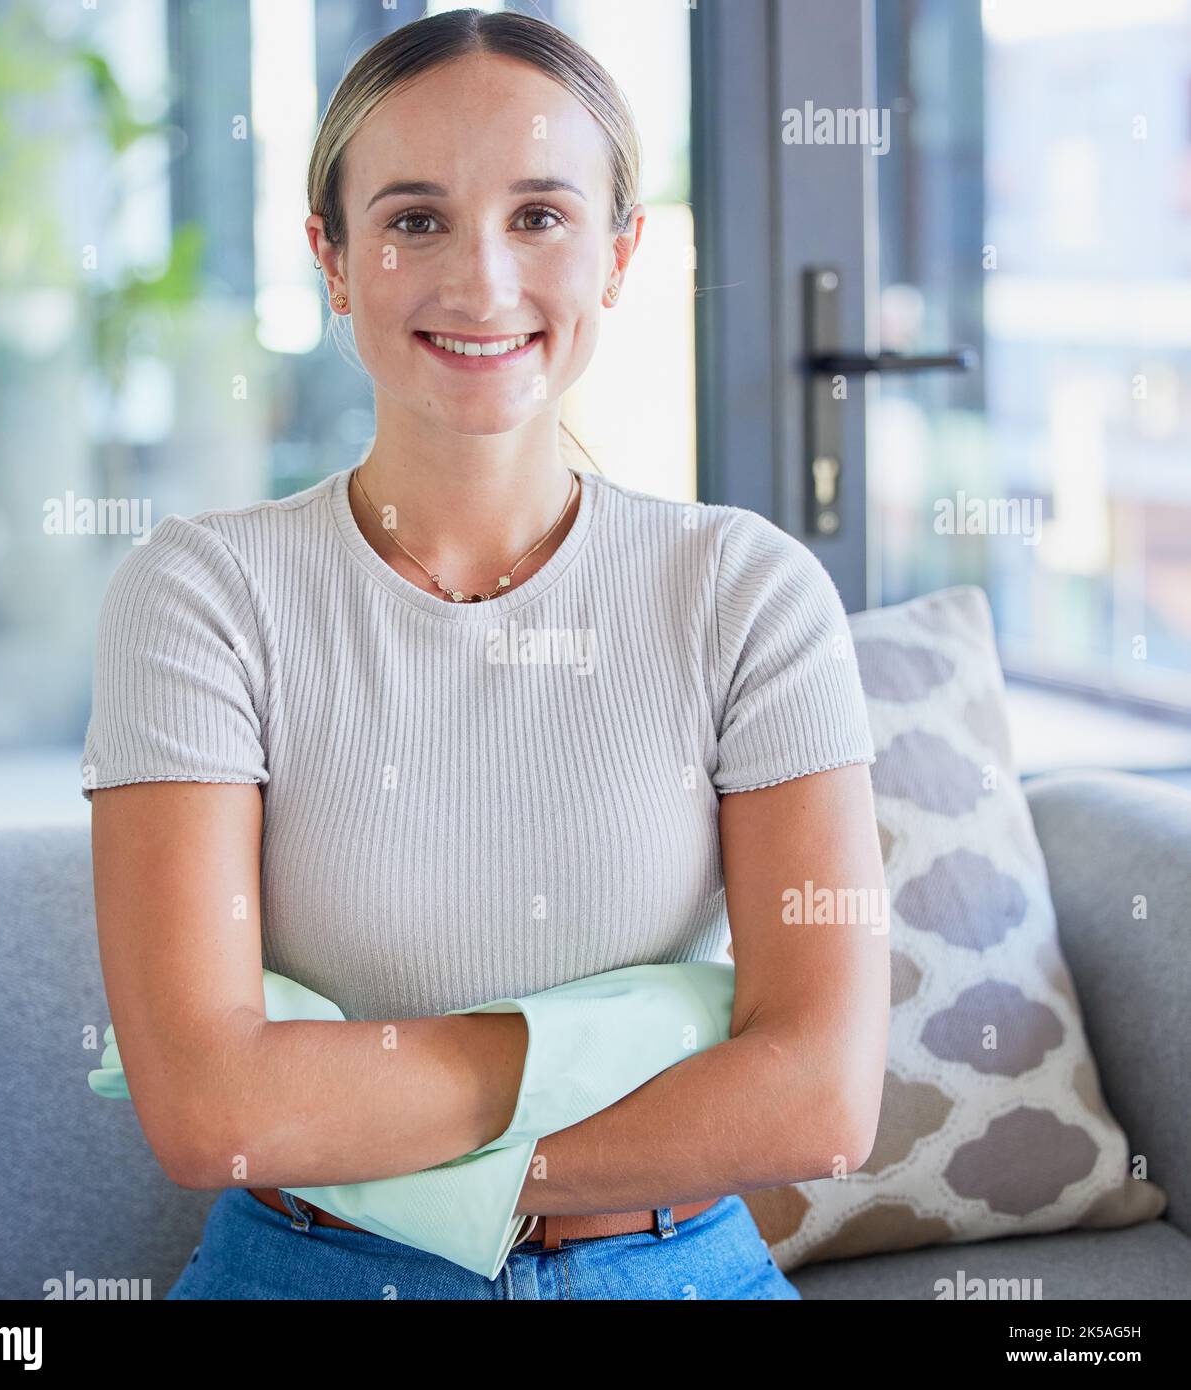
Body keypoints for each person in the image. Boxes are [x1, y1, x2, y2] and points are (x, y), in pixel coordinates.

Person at [83, 7, 888, 1301]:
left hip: (673, 1267)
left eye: (539, 216)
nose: (482, 282)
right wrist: (644, 1043)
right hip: (310, 1274)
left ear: (621, 253)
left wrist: (344, 1095)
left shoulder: (746, 592)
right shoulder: (202, 595)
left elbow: (821, 1096)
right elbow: (205, 1110)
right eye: (412, 218)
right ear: (331, 259)